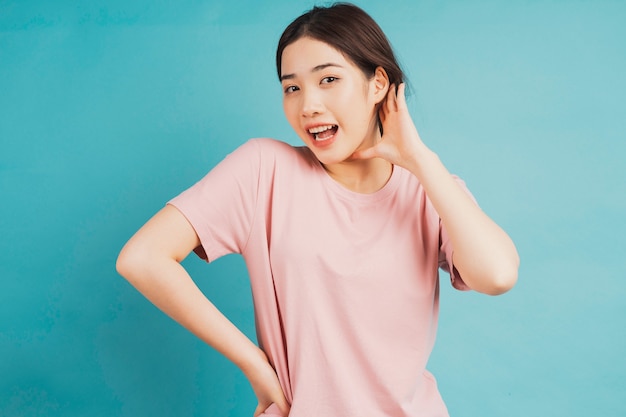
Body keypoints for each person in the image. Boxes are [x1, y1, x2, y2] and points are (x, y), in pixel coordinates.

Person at [116, 3, 519, 416]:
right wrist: (255, 364)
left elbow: (498, 275)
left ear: (378, 83)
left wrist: (419, 158)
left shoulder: (428, 191)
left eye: (328, 79)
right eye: (292, 87)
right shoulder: (264, 171)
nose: (308, 105)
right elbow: (143, 257)